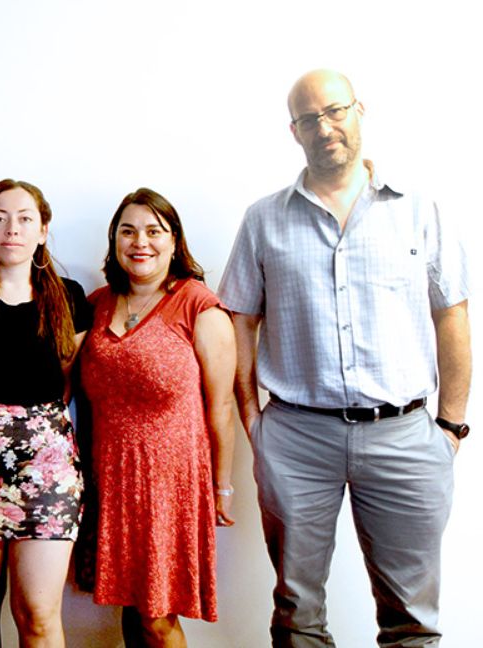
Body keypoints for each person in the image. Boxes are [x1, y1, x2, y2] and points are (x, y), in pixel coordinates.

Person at [218, 69, 471, 646]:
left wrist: (451, 426)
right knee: (297, 611)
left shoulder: (419, 211)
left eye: (335, 111)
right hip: (297, 437)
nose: (324, 127)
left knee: (412, 618)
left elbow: (451, 316)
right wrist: (255, 421)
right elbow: (241, 321)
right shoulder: (264, 219)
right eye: (309, 119)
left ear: (360, 110)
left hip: (404, 436)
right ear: (294, 131)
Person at [78, 188, 236, 647]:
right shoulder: (98, 303)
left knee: (157, 617)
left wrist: (222, 487)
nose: (139, 241)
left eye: (153, 231)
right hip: (110, 477)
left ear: (174, 241)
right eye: (127, 231)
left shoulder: (197, 306)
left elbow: (219, 408)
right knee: (129, 606)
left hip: (171, 483)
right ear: (114, 241)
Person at [0, 179, 90, 648]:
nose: (13, 229)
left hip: (46, 467)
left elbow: (67, 377)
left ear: (43, 231)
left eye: (26, 218)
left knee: (39, 612)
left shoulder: (69, 297)